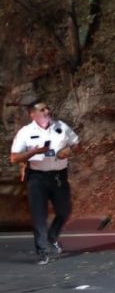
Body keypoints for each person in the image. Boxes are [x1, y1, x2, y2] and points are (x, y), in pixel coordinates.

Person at [10, 99, 81, 265]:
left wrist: (69, 150)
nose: (47, 111)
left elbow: (77, 145)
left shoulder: (61, 127)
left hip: (58, 176)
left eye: (47, 108)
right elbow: (14, 157)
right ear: (32, 114)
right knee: (39, 215)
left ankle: (52, 235)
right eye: (42, 110)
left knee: (64, 211)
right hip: (37, 177)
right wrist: (34, 152)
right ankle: (42, 250)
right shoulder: (25, 132)